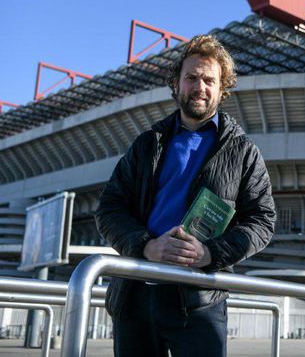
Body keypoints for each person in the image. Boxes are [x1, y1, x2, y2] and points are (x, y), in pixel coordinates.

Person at [95, 35, 276, 357]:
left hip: (200, 302)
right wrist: (145, 246)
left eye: (209, 80)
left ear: (223, 89)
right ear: (176, 84)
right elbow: (109, 208)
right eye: (191, 78)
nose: (199, 87)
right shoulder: (147, 143)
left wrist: (210, 253)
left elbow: (262, 220)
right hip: (136, 295)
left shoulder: (243, 152)